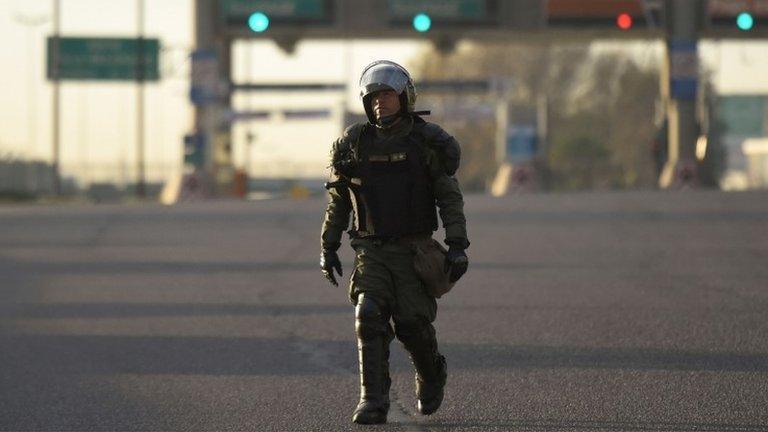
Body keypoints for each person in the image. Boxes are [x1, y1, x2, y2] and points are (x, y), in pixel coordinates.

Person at [319, 60, 470, 425]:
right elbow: (339, 200)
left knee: (411, 324)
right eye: (373, 98)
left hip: (414, 250)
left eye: (387, 95)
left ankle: (432, 373)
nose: (380, 103)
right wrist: (327, 246)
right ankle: (373, 399)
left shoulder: (426, 142)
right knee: (368, 314)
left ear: (404, 97)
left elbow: (448, 196)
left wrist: (457, 245)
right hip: (370, 250)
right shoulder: (354, 144)